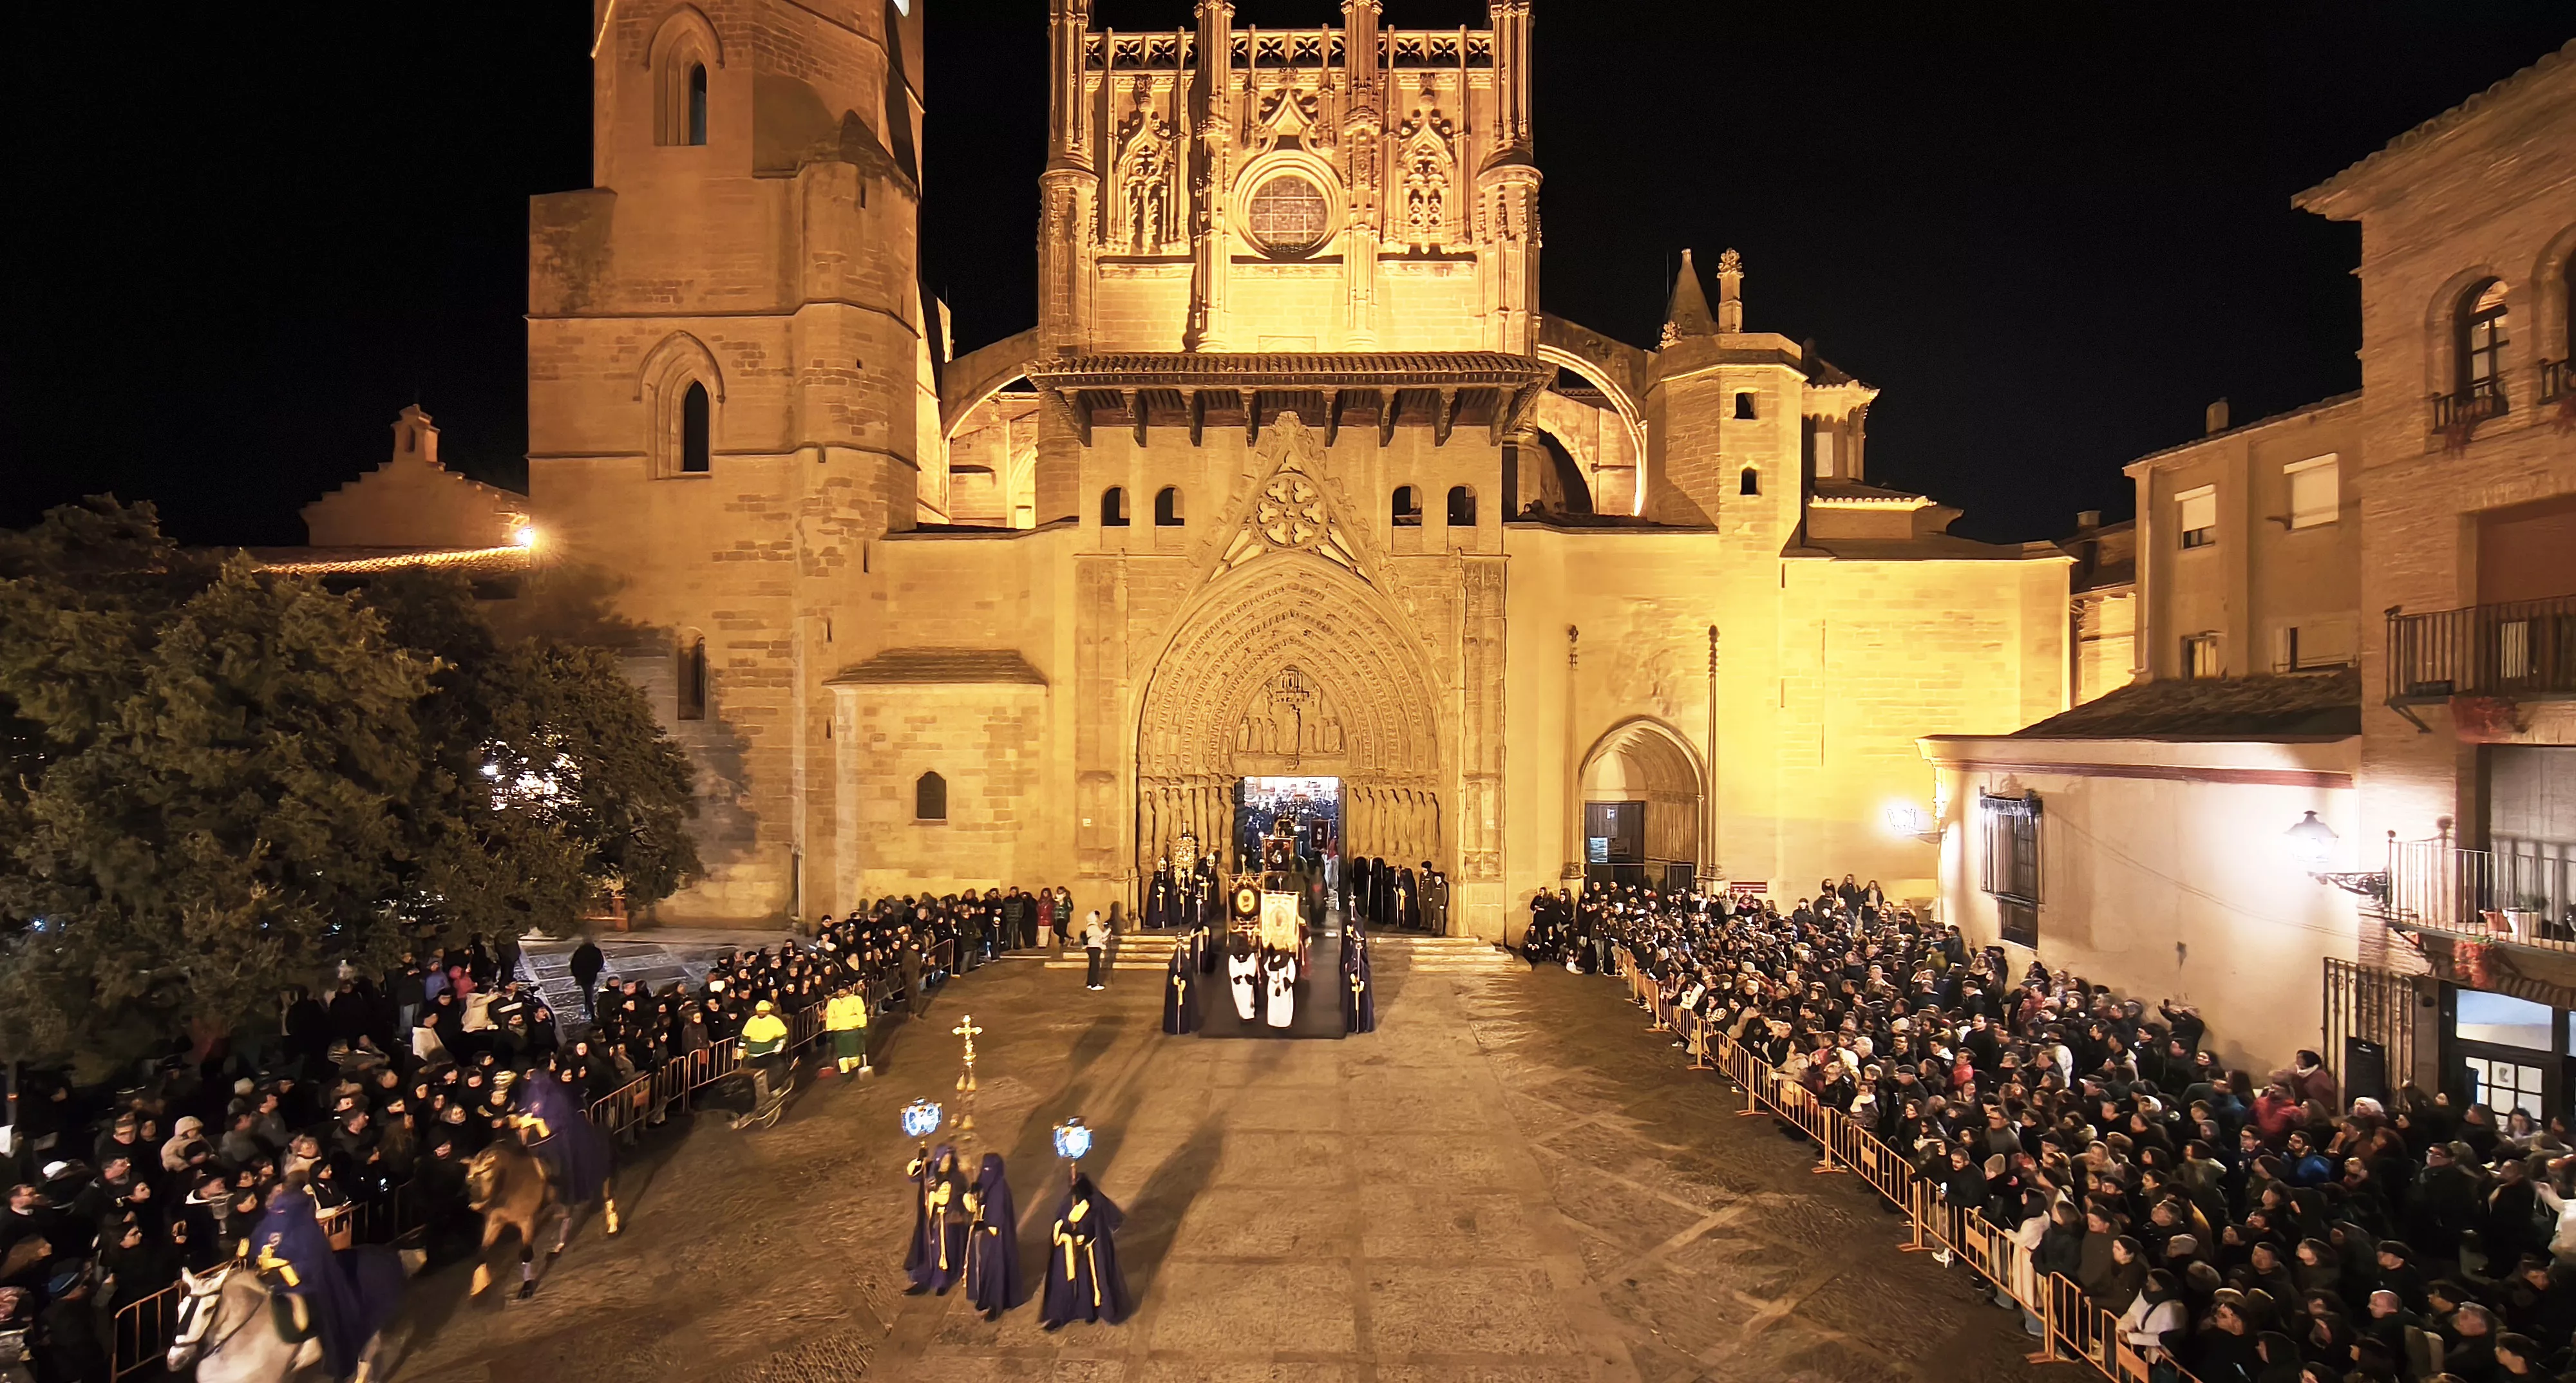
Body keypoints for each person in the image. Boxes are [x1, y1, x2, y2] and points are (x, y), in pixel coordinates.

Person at [1040, 1171, 1130, 1328]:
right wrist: (1064, 1233)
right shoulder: (1067, 1202)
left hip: (1089, 1251)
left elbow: (1102, 1225)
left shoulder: (1095, 1203)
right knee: (1066, 1281)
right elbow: (1060, 1222)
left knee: (1087, 1280)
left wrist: (1085, 1236)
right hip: (1069, 1249)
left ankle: (1090, 1311)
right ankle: (1062, 1313)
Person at [963, 1152, 1021, 1320]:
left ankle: (996, 1304)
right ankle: (983, 1297)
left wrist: (986, 1223)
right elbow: (978, 1199)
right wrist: (973, 1194)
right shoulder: (985, 1181)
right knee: (981, 1267)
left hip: (996, 1238)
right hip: (983, 1235)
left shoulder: (1000, 1189)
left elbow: (996, 1219)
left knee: (994, 1269)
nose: (986, 1172)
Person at [904, 1145, 967, 1295]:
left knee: (943, 1251)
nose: (946, 1162)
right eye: (944, 1159)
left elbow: (962, 1197)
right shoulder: (929, 1171)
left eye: (949, 1159)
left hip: (946, 1221)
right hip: (930, 1221)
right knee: (927, 1250)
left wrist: (948, 1202)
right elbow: (913, 1176)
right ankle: (923, 1281)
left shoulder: (957, 1177)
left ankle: (943, 1282)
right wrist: (919, 1160)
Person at [739, 1000, 791, 1107]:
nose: (761, 1014)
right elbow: (744, 1036)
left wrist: (779, 1046)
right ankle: (756, 1096)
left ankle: (772, 1089)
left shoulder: (773, 1021)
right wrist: (741, 1048)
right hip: (754, 1054)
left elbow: (783, 1035)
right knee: (751, 1075)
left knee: (777, 1069)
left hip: (768, 1053)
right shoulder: (752, 1021)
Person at [826, 985, 870, 1076]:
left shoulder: (856, 1000)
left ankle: (855, 1067)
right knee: (842, 1055)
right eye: (839, 990)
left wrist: (863, 1026)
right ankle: (844, 1073)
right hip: (839, 1031)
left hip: (853, 1030)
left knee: (854, 1055)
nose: (841, 992)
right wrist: (829, 1029)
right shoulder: (833, 1002)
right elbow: (830, 1017)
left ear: (848, 990)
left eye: (843, 990)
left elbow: (861, 1014)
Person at [1161, 942, 1200, 1035]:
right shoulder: (1174, 968)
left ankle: (1184, 1026)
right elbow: (1171, 982)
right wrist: (1176, 982)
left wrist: (1183, 983)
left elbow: (1189, 981)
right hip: (1175, 993)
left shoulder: (1187, 968)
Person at [569, 936, 605, 1021]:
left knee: (587, 992)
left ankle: (588, 1007)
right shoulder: (596, 951)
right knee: (589, 992)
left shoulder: (579, 951)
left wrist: (576, 974)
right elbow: (600, 963)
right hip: (591, 976)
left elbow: (574, 964)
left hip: (582, 976)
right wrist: (595, 970)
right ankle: (591, 1011)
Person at [1082, 910, 1109, 992]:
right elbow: (1102, 935)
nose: (1098, 919)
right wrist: (1109, 930)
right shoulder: (1093, 927)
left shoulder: (1090, 927)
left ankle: (1090, 983)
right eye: (1097, 917)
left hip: (1092, 947)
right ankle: (1094, 984)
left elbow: (1099, 938)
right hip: (1094, 948)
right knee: (1095, 966)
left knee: (1092, 966)